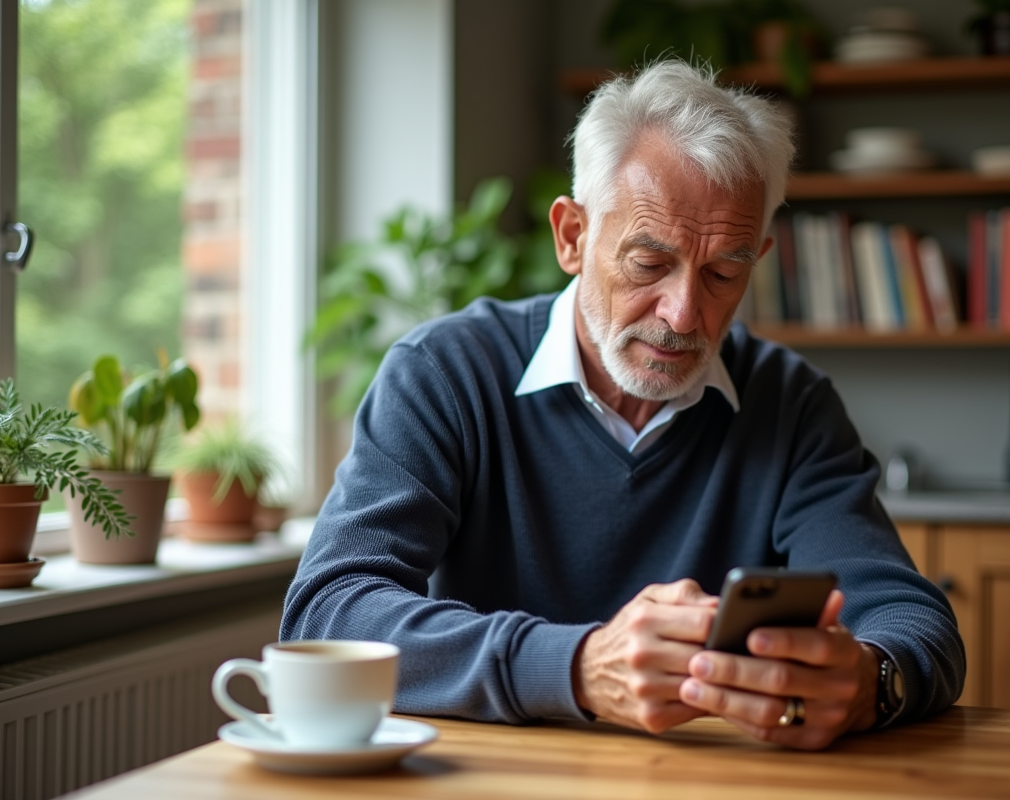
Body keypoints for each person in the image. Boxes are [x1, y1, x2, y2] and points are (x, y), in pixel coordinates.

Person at [282, 59, 965, 751]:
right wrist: (575, 668)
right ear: (572, 236)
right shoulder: (444, 374)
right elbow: (328, 614)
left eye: (725, 272)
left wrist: (871, 681)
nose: (684, 312)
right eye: (648, 263)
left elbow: (912, 621)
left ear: (756, 257)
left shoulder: (790, 402)